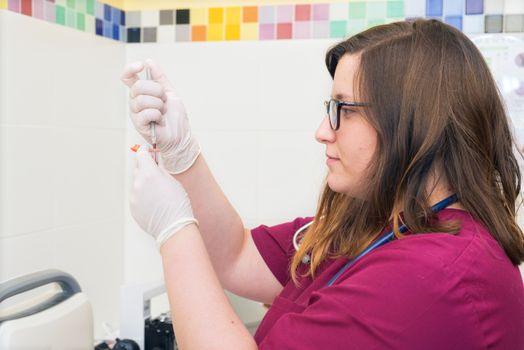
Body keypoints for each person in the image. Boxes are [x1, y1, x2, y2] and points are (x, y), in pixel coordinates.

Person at [121, 19, 524, 349]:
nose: (322, 131)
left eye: (342, 110)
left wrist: (174, 231)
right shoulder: (383, 223)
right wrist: (182, 155)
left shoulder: (431, 276)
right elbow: (236, 255)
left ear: (414, 123)